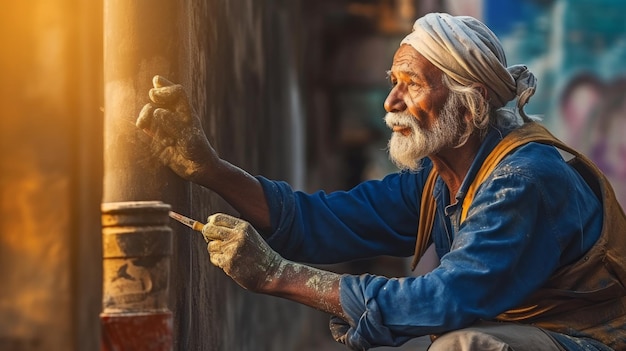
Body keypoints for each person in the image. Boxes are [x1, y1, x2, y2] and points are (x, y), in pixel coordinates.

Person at [136, 13, 626, 351]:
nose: (390, 102)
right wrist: (211, 169)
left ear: (470, 102)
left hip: (592, 343)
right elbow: (322, 220)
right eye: (393, 82)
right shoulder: (441, 178)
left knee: (466, 346)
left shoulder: (523, 181)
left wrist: (277, 275)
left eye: (410, 84)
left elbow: (440, 300)